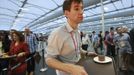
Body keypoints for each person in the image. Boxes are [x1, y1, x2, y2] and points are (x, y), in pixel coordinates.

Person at [45, 0, 97, 75]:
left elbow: (78, 49)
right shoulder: (57, 33)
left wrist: (86, 53)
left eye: (82, 8)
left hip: (79, 67)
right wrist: (70, 68)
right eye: (76, 9)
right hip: (66, 73)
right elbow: (49, 59)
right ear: (66, 13)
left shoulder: (77, 32)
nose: (81, 12)